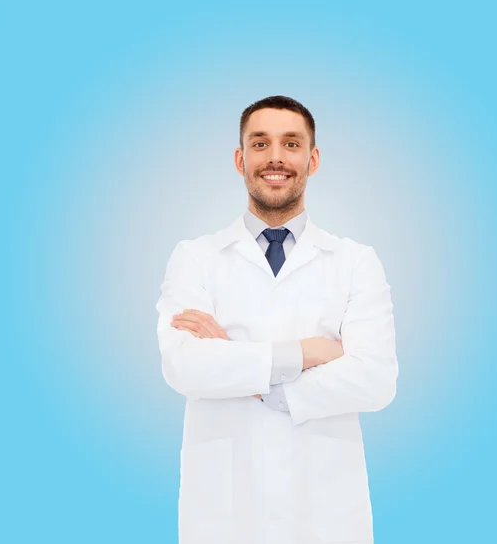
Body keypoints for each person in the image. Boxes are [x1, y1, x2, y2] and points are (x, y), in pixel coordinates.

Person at [155, 95, 398, 544]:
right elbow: (184, 367)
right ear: (240, 158)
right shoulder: (195, 258)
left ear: (313, 158)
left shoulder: (355, 261)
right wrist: (310, 354)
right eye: (260, 143)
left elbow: (376, 379)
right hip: (223, 516)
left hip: (327, 515)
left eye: (291, 143)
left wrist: (242, 370)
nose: (276, 158)